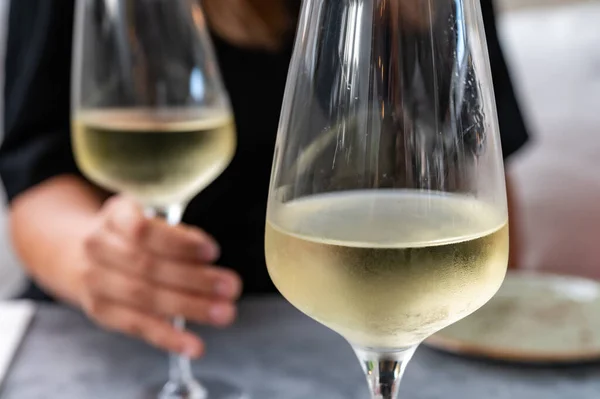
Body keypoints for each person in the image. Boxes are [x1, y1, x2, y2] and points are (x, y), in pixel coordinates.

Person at [1, 0, 528, 358]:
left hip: (352, 348)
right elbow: (34, 172)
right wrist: (88, 256)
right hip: (115, 347)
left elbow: (485, 188)